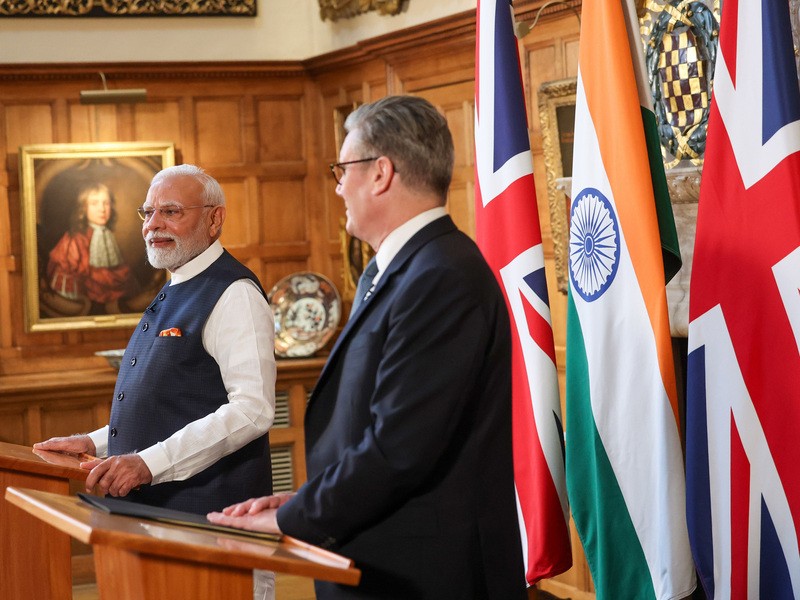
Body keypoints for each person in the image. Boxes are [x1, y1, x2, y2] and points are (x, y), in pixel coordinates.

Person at [208, 96, 527, 599]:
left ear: (381, 173)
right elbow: (371, 425)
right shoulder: (396, 269)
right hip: (380, 555)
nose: (337, 186)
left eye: (343, 169)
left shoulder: (441, 276)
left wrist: (295, 517)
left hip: (426, 575)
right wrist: (307, 499)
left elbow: (400, 447)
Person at [35, 164, 277, 598]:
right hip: (150, 525)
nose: (152, 226)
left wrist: (148, 463)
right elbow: (170, 404)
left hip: (207, 525)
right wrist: (96, 442)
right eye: (147, 213)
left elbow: (253, 410)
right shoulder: (177, 283)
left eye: (170, 212)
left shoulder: (234, 292)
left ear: (214, 219)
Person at [46, 182, 138, 312]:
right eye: (94, 203)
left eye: (106, 203)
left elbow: (117, 271)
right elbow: (72, 275)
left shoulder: (108, 235)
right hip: (81, 296)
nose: (102, 209)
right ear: (83, 209)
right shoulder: (73, 239)